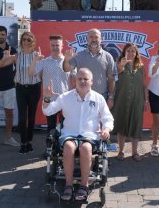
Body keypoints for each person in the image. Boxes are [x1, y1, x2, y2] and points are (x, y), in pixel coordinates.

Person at [42, 68, 114, 201]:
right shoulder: (65, 97)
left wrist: (106, 130)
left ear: (91, 81)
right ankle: (68, 185)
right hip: (70, 133)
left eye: (85, 79)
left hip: (90, 135)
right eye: (79, 79)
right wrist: (47, 98)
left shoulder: (98, 98)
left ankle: (84, 185)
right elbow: (48, 111)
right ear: (75, 81)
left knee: (86, 148)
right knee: (68, 147)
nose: (82, 81)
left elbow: (107, 118)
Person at [28, 35, 75, 134]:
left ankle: (64, 148)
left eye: (57, 45)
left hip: (65, 99)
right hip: (50, 100)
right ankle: (50, 148)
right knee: (51, 127)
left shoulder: (69, 61)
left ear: (62, 46)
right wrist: (35, 60)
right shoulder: (44, 62)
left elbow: (76, 78)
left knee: (66, 127)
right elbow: (31, 73)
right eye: (53, 45)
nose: (55, 47)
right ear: (50, 46)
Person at [111, 43, 147, 162]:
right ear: (124, 52)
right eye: (128, 51)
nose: (131, 53)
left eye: (133, 51)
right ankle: (121, 151)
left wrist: (146, 100)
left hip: (137, 100)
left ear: (136, 53)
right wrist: (122, 65)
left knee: (135, 125)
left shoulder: (141, 67)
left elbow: (144, 85)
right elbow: (119, 71)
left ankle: (135, 152)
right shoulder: (119, 64)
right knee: (121, 125)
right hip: (122, 99)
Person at [63, 28, 115, 108]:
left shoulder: (108, 57)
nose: (94, 39)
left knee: (99, 120)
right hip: (82, 96)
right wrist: (66, 60)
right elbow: (66, 69)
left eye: (96, 37)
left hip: (101, 96)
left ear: (101, 39)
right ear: (87, 39)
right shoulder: (79, 55)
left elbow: (111, 79)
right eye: (91, 37)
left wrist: (111, 97)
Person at [15, 31, 42, 154]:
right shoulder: (17, 55)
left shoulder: (37, 55)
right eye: (24, 39)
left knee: (31, 117)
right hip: (20, 88)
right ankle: (23, 142)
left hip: (34, 88)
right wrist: (4, 59)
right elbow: (1, 64)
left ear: (32, 42)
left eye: (28, 40)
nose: (26, 42)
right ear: (21, 41)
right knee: (22, 118)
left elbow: (39, 73)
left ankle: (29, 142)